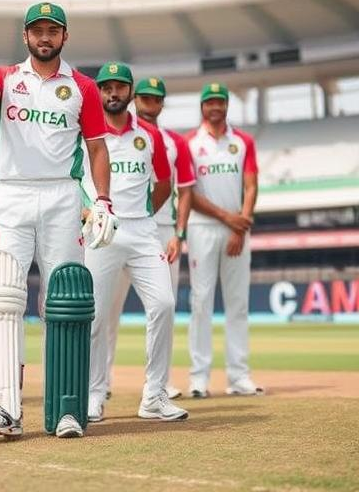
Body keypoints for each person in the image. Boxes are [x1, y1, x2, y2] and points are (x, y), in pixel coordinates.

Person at [0, 2, 116, 438]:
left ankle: (67, 408)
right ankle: (3, 406)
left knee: (64, 303)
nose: (45, 37)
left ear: (65, 37)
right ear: (25, 37)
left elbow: (98, 148)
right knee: (2, 295)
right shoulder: (5, 78)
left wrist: (102, 201)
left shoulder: (83, 87)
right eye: (37, 30)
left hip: (63, 194)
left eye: (52, 30)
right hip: (13, 195)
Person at [83, 62, 188, 423]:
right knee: (95, 317)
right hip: (101, 232)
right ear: (98, 92)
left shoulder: (149, 135)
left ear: (130, 92)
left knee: (163, 303)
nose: (113, 93)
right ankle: (94, 394)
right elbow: (73, 181)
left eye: (120, 87)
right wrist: (88, 213)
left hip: (143, 231)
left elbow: (163, 183)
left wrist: (142, 214)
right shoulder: (87, 135)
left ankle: (154, 396)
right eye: (106, 87)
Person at [103, 76, 196, 400]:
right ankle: (100, 387)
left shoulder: (170, 141)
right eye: (144, 97)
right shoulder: (97, 133)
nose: (149, 103)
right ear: (135, 98)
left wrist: (176, 233)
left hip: (156, 230)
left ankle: (159, 387)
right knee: (105, 313)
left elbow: (177, 189)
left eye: (155, 98)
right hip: (109, 231)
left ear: (162, 103)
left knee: (163, 304)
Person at [186, 82, 262, 397]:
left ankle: (238, 376)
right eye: (210, 102)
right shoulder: (190, 142)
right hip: (202, 228)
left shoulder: (243, 141)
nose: (215, 107)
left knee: (238, 304)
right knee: (201, 302)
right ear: (202, 107)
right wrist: (229, 219)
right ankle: (199, 379)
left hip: (236, 233)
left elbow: (251, 186)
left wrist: (238, 226)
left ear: (227, 105)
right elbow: (187, 194)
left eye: (220, 101)